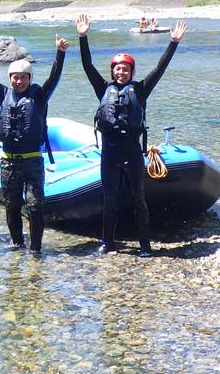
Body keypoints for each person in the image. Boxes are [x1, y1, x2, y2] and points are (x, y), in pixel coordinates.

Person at [75, 14, 188, 257]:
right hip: (110, 153)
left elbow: (160, 68)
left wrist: (174, 43)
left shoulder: (141, 90)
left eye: (125, 70)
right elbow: (87, 66)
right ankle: (108, 242)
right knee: (110, 201)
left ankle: (145, 245)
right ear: (112, 71)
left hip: (132, 153)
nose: (121, 73)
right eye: (117, 69)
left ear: (131, 72)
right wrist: (83, 37)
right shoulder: (102, 88)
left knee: (139, 200)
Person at [0, 34, 68, 252]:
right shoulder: (3, 94)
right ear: (10, 79)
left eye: (23, 77)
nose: (18, 81)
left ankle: (36, 249)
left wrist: (60, 53)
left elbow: (54, 78)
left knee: (34, 207)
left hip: (32, 162)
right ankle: (17, 245)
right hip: (8, 164)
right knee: (12, 206)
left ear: (29, 78)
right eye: (15, 77)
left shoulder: (39, 96)